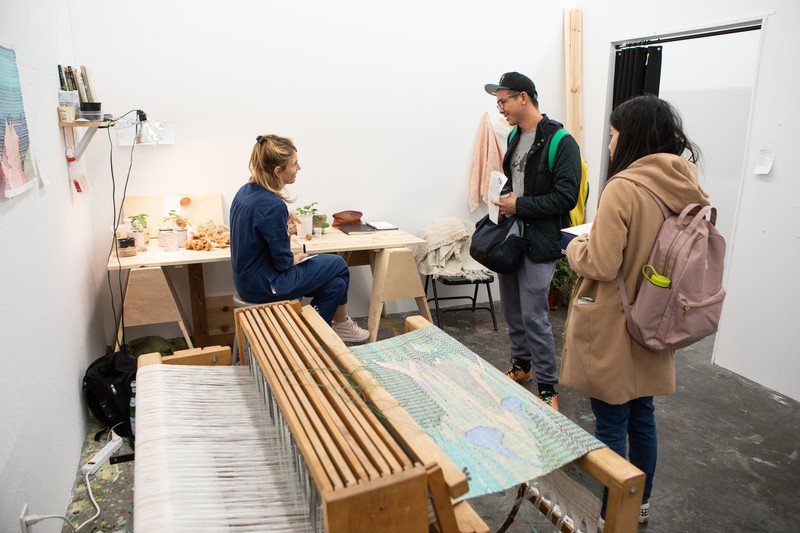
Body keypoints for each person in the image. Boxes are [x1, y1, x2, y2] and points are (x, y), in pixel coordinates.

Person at [561, 94, 710, 526]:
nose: (609, 144)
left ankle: (613, 511)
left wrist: (575, 246)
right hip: (657, 315)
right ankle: (641, 504)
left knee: (610, 420)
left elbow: (603, 263)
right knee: (642, 415)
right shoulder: (689, 185)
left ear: (633, 137)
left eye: (613, 135)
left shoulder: (623, 187)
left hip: (613, 319)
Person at [485, 72, 582, 410]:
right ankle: (522, 366)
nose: (500, 109)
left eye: (503, 101)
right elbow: (516, 184)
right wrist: (502, 198)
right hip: (511, 238)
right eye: (498, 103)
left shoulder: (561, 142)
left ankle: (547, 385)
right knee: (512, 309)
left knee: (535, 316)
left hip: (539, 243)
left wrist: (520, 204)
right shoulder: (513, 137)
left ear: (523, 97)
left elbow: (566, 197)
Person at [230, 133, 370, 343]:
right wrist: (295, 258)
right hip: (267, 284)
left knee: (336, 284)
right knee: (338, 263)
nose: (299, 168)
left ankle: (318, 332)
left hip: (247, 282)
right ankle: (318, 333)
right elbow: (282, 262)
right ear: (278, 171)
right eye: (295, 164)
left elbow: (258, 220)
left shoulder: (245, 192)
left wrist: (285, 215)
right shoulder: (272, 205)